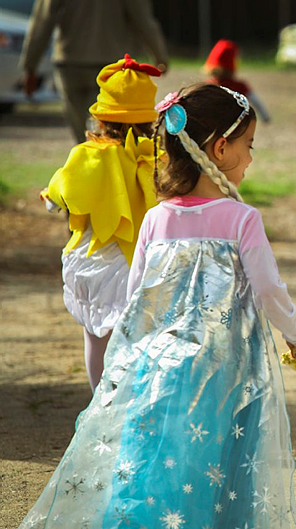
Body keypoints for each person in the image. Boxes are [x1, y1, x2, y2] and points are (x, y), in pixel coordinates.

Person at [17, 84, 296, 529]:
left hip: (156, 368)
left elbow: (136, 299)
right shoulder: (241, 219)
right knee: (213, 468)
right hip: (221, 376)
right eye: (248, 145)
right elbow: (269, 291)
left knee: (154, 461)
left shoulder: (157, 217)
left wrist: (124, 367)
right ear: (220, 147)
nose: (251, 158)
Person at [39, 54, 161, 391]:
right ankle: (136, 405)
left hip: (96, 263)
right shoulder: (158, 158)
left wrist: (49, 198)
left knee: (95, 337)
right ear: (150, 120)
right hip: (142, 264)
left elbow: (57, 197)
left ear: (102, 118)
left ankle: (100, 403)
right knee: (142, 341)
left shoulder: (87, 155)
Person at [20, 0, 169, 143]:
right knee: (108, 132)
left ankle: (86, 161)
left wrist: (30, 65)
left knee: (81, 133)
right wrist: (160, 56)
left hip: (70, 63)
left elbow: (42, 21)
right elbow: (143, 19)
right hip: (112, 66)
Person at [204, 39, 271, 122]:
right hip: (237, 128)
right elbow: (256, 101)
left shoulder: (208, 87)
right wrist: (265, 117)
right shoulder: (240, 86)